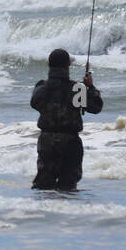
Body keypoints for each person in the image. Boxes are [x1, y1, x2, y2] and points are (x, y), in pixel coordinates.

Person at [31, 48, 102, 190]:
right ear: (66, 66)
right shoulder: (77, 88)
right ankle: (65, 210)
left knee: (43, 184)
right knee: (68, 185)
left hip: (46, 142)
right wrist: (90, 87)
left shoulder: (41, 87)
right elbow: (96, 107)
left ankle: (42, 211)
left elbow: (35, 103)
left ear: (49, 66)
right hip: (70, 142)